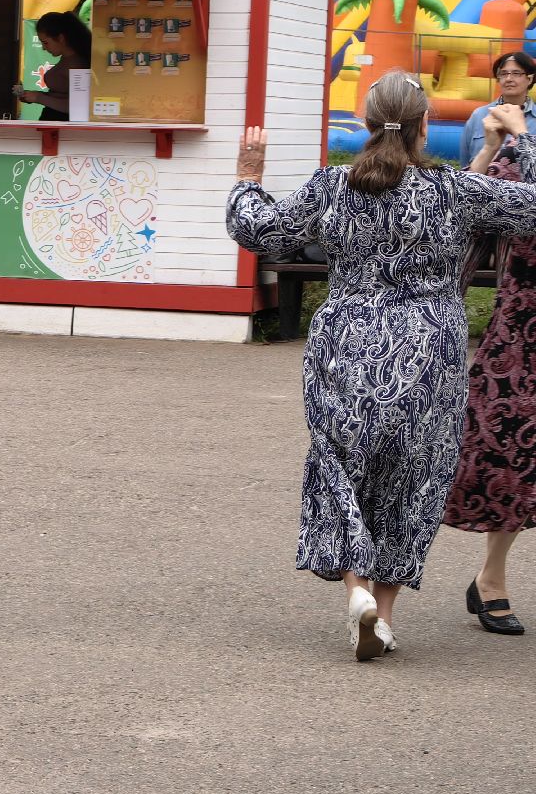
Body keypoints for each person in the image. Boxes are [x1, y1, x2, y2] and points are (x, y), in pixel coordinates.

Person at [226, 71, 536, 661]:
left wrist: (248, 176)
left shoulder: (332, 185)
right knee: (413, 477)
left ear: (367, 125)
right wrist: (521, 140)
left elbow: (258, 230)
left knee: (339, 464)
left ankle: (358, 592)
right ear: (424, 126)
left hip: (347, 340)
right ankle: (384, 619)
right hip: (430, 346)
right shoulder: (452, 190)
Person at [442, 104, 536, 636]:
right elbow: (458, 209)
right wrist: (496, 148)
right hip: (523, 332)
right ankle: (492, 578)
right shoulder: (520, 160)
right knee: (511, 456)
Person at [458, 51, 536, 168]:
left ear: (530, 79)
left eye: (516, 73)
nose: (508, 79)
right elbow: (464, 165)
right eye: (503, 74)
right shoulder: (479, 115)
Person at [15, 11, 92, 121]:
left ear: (61, 38)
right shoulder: (68, 60)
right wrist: (33, 95)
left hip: (63, 125)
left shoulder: (77, 65)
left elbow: (78, 106)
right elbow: (60, 96)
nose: (43, 48)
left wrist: (38, 97)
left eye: (45, 43)